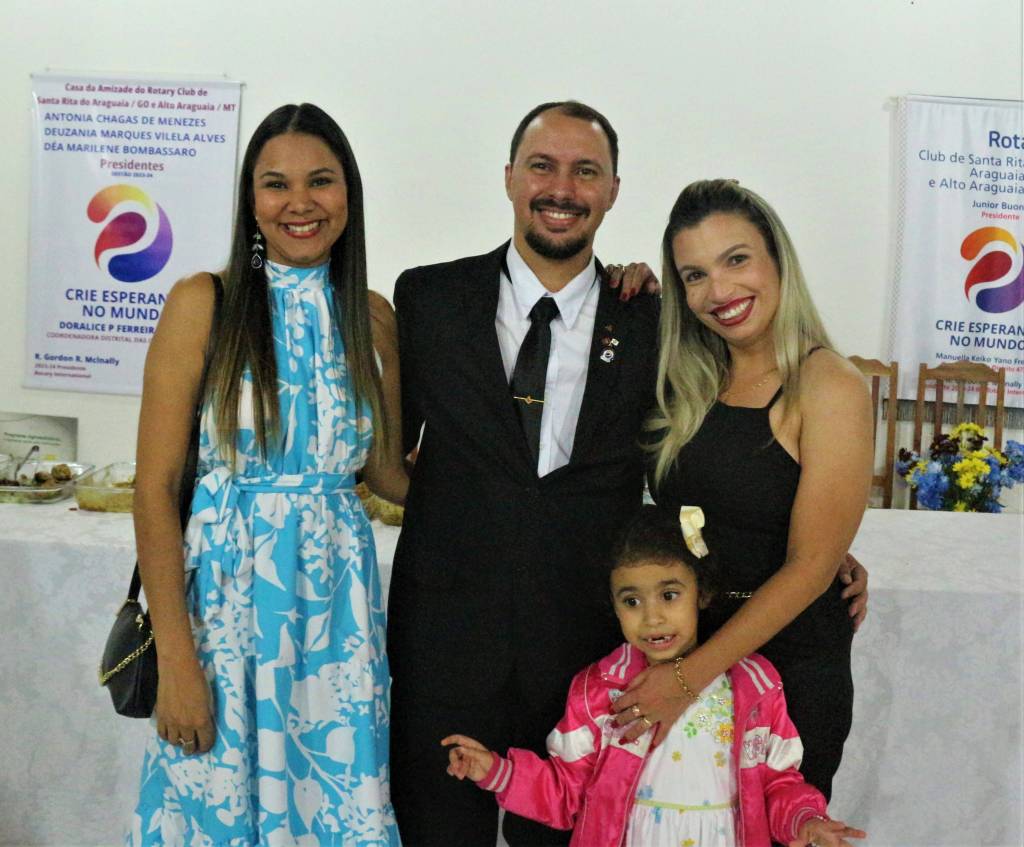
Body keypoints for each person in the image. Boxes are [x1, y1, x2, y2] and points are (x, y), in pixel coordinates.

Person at [129, 103, 405, 846]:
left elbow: (387, 476)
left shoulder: (374, 317)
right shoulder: (204, 303)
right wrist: (177, 662)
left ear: (348, 193)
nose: (299, 203)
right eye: (276, 184)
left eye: (321, 181)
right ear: (250, 201)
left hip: (337, 616)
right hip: (225, 610)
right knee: (218, 806)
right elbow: (154, 490)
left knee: (334, 805)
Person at [386, 100, 661, 846]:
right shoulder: (428, 300)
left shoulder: (652, 322)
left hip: (584, 656)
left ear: (613, 190)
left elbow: (692, 474)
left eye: (586, 171)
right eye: (542, 166)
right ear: (510, 177)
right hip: (444, 644)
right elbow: (383, 453)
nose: (561, 188)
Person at [612, 179, 873, 801]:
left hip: (786, 669)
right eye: (695, 275)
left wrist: (685, 680)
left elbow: (810, 567)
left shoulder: (828, 385)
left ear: (777, 259)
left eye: (736, 259)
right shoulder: (688, 378)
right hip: (687, 645)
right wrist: (623, 284)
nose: (720, 291)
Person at [442, 506, 866, 847]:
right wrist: (498, 772)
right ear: (612, 605)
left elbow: (778, 785)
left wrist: (806, 820)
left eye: (669, 594)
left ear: (702, 592)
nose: (652, 617)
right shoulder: (598, 690)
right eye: (632, 601)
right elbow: (565, 792)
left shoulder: (756, 686)